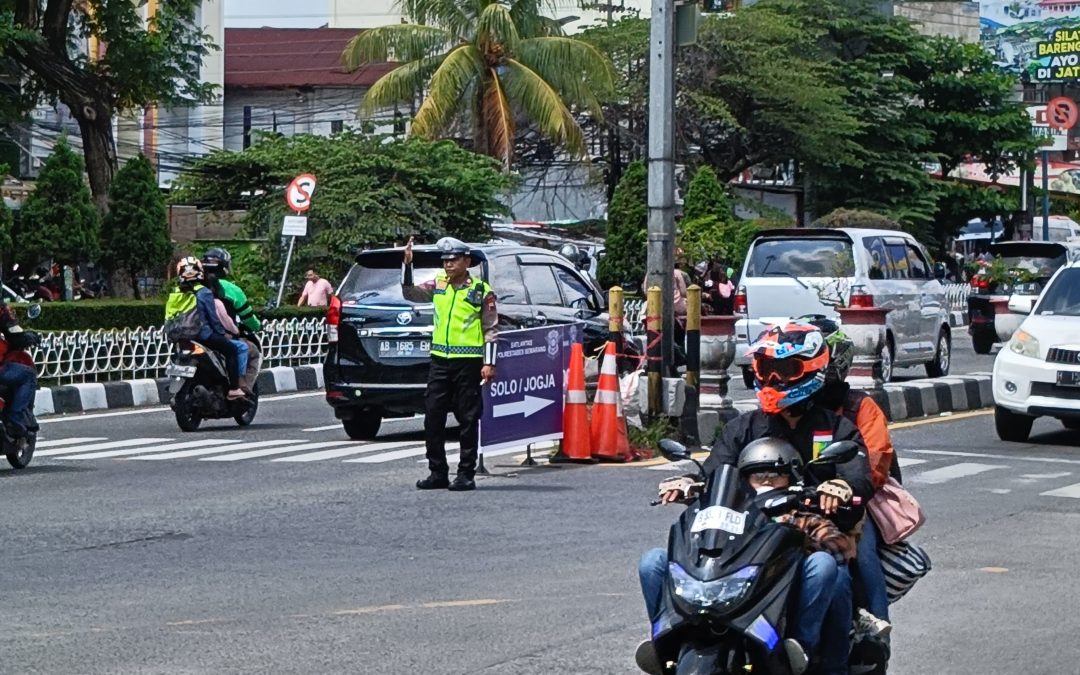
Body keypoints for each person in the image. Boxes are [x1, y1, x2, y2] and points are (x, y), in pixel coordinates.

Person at [637, 321, 872, 675]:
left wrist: (841, 488)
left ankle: (804, 653)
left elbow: (857, 473)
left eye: (785, 369)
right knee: (654, 563)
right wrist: (688, 482)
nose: (774, 379)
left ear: (811, 369)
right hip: (746, 540)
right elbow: (715, 472)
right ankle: (668, 637)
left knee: (833, 575)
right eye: (767, 369)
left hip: (809, 539)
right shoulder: (743, 428)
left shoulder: (838, 429)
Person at [803, 316, 897, 640]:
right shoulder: (795, 406)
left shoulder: (860, 407)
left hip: (851, 501)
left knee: (864, 548)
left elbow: (876, 462)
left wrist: (845, 486)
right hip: (798, 499)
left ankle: (876, 627)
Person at [402, 236, 498, 492]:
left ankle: (465, 473)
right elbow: (411, 293)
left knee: (467, 418)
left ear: (467, 261)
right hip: (440, 360)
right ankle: (438, 472)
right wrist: (408, 265)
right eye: (445, 260)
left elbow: (490, 329)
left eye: (454, 259)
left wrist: (489, 363)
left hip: (468, 362)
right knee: (433, 416)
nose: (448, 264)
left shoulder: (481, 291)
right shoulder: (438, 285)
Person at [168, 257, 245, 400]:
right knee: (232, 350)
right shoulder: (204, 292)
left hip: (180, 337)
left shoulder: (175, 293)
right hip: (203, 336)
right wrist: (221, 334)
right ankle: (234, 389)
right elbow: (213, 318)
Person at [201, 248, 262, 393]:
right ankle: (241, 386)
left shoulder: (191, 288)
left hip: (194, 334)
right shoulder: (231, 290)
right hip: (219, 335)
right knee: (251, 351)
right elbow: (247, 318)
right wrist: (257, 326)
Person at [0, 299, 39, 438]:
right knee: (28, 376)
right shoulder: (3, 311)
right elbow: (15, 335)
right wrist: (28, 337)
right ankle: (16, 417)